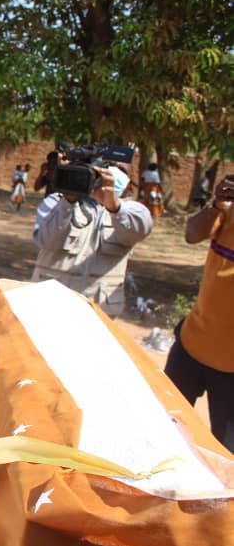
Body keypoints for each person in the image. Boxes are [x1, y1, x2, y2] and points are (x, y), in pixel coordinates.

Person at [164, 175, 234, 452]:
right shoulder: (227, 213)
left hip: (231, 367)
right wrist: (217, 204)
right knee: (166, 428)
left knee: (225, 453)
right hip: (191, 344)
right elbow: (192, 235)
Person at [31, 162, 152, 318]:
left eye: (121, 170)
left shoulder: (134, 211)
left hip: (99, 313)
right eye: (107, 166)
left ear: (129, 178)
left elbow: (139, 231)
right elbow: (46, 241)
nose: (111, 173)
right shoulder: (55, 202)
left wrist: (114, 207)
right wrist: (68, 201)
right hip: (49, 307)